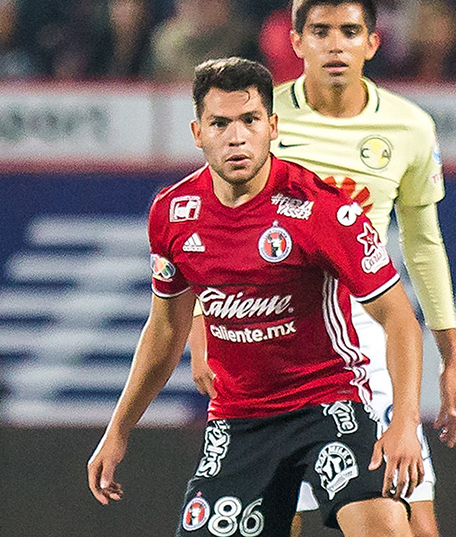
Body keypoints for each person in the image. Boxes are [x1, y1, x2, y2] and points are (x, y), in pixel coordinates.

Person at [87, 57, 424, 537]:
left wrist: (405, 422)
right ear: (197, 132)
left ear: (273, 126)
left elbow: (400, 320)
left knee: (385, 528)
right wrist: (118, 430)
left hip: (327, 406)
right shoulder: (173, 214)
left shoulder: (321, 210)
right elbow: (165, 329)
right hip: (239, 422)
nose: (237, 136)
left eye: (249, 121)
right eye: (220, 123)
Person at [187, 0, 456, 536]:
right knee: (280, 518)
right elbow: (216, 217)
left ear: (373, 41)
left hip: (368, 331)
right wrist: (202, 320)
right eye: (320, 32)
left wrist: (448, 352)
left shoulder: (409, 126)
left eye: (348, 31)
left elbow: (423, 243)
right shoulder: (261, 117)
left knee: (413, 520)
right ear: (296, 41)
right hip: (278, 335)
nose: (335, 46)